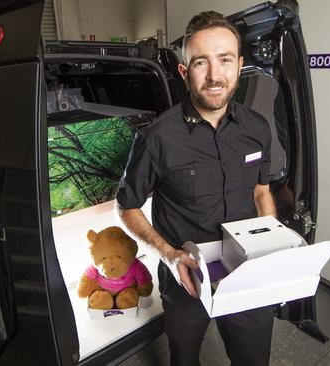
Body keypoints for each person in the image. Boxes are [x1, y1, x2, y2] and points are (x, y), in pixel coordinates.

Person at [116, 10, 276, 366]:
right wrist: (170, 256)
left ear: (240, 65)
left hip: (247, 271)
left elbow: (262, 191)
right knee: (184, 358)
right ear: (185, 72)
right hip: (185, 278)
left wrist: (271, 244)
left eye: (225, 60)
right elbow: (126, 206)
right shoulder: (158, 137)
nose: (215, 75)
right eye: (202, 62)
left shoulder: (257, 128)